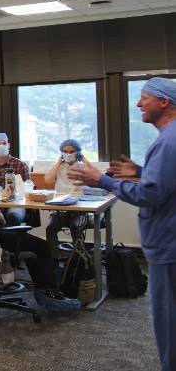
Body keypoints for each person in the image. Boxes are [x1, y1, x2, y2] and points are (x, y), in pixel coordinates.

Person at [69, 77, 176, 371]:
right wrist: (141, 171)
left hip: (167, 243)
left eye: (144, 98)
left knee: (169, 320)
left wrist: (103, 180)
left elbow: (150, 195)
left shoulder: (167, 142)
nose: (139, 103)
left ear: (163, 101)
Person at [0, 154, 81, 313]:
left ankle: (45, 291)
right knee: (42, 246)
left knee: (33, 245)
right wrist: (1, 219)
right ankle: (49, 294)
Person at [43, 139, 98, 256]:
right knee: (50, 228)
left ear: (77, 152)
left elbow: (96, 176)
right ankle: (53, 259)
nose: (68, 154)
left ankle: (79, 260)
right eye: (65, 151)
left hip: (79, 208)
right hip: (60, 209)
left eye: (71, 151)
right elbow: (48, 180)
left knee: (76, 227)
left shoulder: (82, 167)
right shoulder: (58, 167)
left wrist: (83, 159)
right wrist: (59, 161)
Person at [0, 132, 30, 226]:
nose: (1, 146)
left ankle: (10, 235)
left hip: (15, 203)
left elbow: (24, 191)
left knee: (14, 216)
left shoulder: (20, 165)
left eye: (4, 143)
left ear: (8, 145)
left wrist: (11, 191)